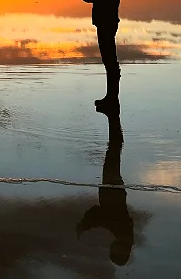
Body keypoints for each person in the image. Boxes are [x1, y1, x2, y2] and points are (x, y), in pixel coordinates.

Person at [76, 108, 134, 266]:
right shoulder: (123, 232)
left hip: (113, 190)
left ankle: (114, 126)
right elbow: (102, 217)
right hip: (112, 189)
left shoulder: (123, 233)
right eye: (113, 250)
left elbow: (101, 217)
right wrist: (85, 225)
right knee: (112, 155)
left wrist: (86, 224)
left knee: (113, 156)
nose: (111, 247)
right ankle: (114, 126)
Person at [66, 0, 124, 110]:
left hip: (106, 24)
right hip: (109, 23)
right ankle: (111, 98)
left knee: (110, 61)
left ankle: (112, 100)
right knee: (110, 61)